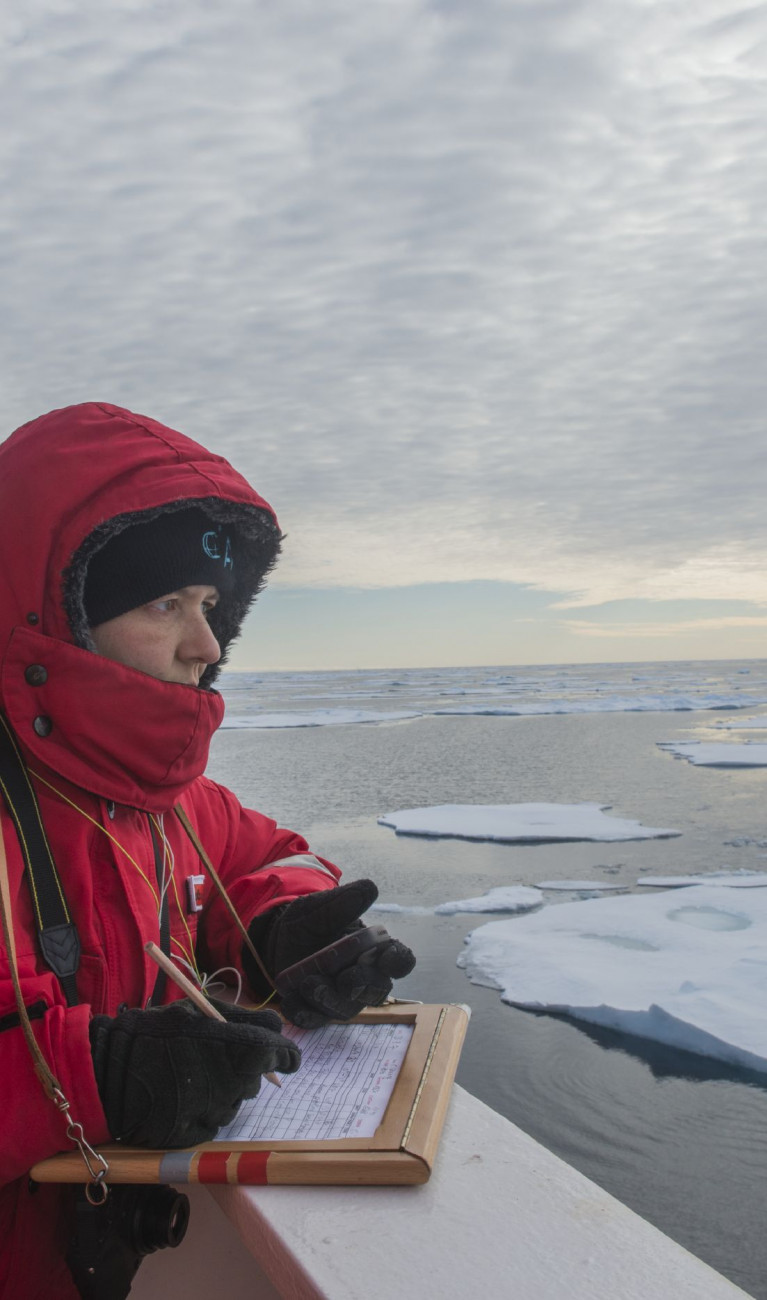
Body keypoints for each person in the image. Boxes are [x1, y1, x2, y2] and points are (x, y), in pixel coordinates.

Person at [0, 401, 415, 1299]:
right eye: (165, 605)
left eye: (212, 606)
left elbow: (272, 855)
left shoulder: (170, 799)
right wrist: (90, 1075)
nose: (207, 645)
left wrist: (280, 929)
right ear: (60, 615)